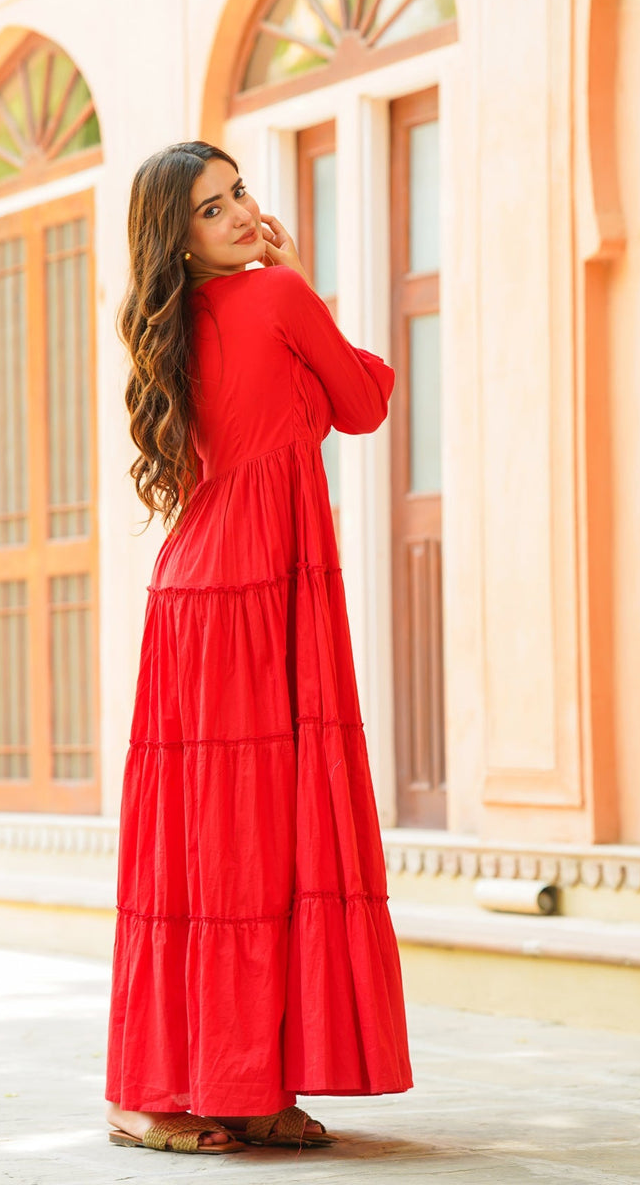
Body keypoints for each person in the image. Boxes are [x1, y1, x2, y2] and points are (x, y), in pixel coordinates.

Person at [105, 141, 412, 1155]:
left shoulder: (173, 325)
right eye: (211, 208)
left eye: (237, 193)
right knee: (254, 840)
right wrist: (298, 279)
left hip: (203, 597)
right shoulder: (275, 296)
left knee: (222, 847)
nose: (239, 212)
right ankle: (180, 1094)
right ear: (176, 239)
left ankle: (239, 1081)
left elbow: (313, 409)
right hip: (245, 600)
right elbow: (363, 401)